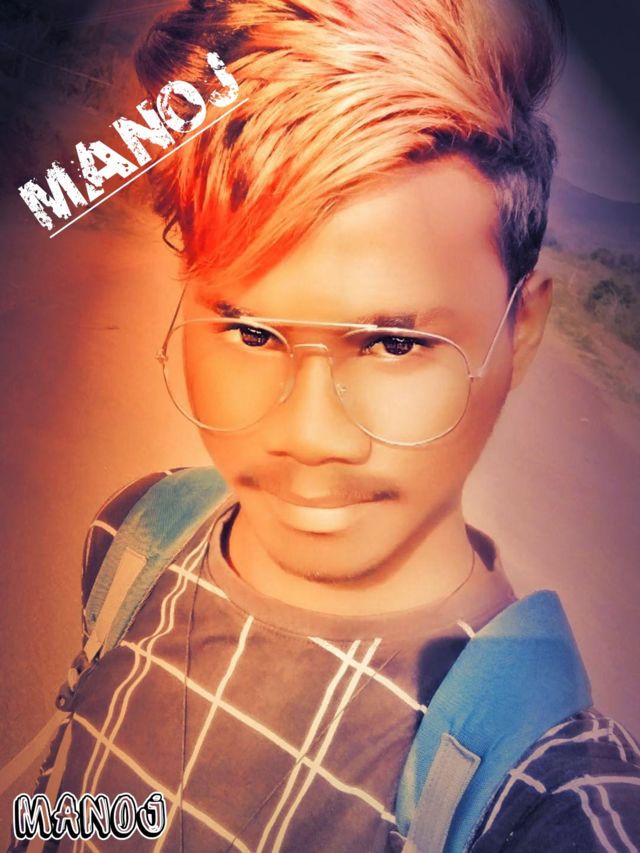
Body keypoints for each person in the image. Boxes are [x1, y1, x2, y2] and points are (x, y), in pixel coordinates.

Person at [11, 0, 640, 850]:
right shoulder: (132, 542)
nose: (309, 436)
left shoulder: (549, 792)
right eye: (251, 331)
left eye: (393, 343)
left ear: (520, 330)